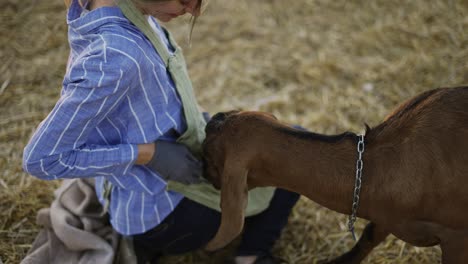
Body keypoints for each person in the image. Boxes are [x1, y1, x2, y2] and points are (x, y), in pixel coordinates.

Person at [22, 0, 300, 263]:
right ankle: (252, 254)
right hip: (160, 214)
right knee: (294, 164)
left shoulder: (127, 12)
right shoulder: (115, 57)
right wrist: (149, 154)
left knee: (287, 137)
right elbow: (41, 159)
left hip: (160, 187)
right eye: (183, 0)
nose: (194, 10)